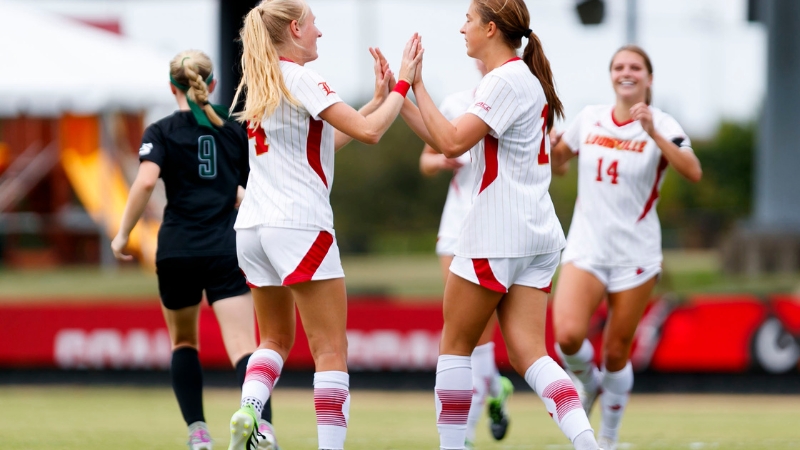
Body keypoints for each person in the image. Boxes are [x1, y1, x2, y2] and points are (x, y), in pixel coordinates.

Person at [397, 0, 601, 448]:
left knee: (455, 348)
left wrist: (416, 85)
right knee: (530, 353)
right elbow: (447, 139)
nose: (461, 28)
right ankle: (588, 443)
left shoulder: (505, 79)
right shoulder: (518, 79)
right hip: (534, 235)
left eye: (468, 20)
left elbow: (450, 142)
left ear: (491, 29)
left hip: (497, 234)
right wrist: (401, 97)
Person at [226, 1, 422, 449]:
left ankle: (249, 412)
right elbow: (371, 134)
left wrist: (375, 100)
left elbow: (324, 141)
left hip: (254, 228)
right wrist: (405, 83)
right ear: (295, 28)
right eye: (314, 25)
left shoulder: (264, 79)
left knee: (274, 338)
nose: (320, 34)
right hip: (300, 225)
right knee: (330, 351)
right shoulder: (302, 77)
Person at [111, 50, 276, 450]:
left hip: (178, 249)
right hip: (225, 247)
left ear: (172, 87)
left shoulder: (161, 131)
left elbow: (147, 182)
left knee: (184, 342)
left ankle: (198, 432)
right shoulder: (234, 127)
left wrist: (121, 235)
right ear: (213, 84)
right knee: (244, 347)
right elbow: (252, 189)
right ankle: (261, 430)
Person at [549, 45, 702, 450]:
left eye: (635, 67)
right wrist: (551, 148)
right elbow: (558, 163)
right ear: (611, 75)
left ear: (649, 78)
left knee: (616, 351)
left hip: (636, 255)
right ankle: (588, 382)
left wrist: (652, 132)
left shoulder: (664, 123)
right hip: (586, 247)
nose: (626, 72)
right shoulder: (590, 118)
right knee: (566, 335)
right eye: (619, 66)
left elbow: (693, 171)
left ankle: (609, 439)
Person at [418, 59, 513, 449]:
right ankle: (495, 391)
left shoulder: (513, 98)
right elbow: (425, 160)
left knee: (475, 335)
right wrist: (442, 159)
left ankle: (468, 432)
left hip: (495, 228)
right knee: (464, 333)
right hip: (455, 227)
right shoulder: (456, 102)